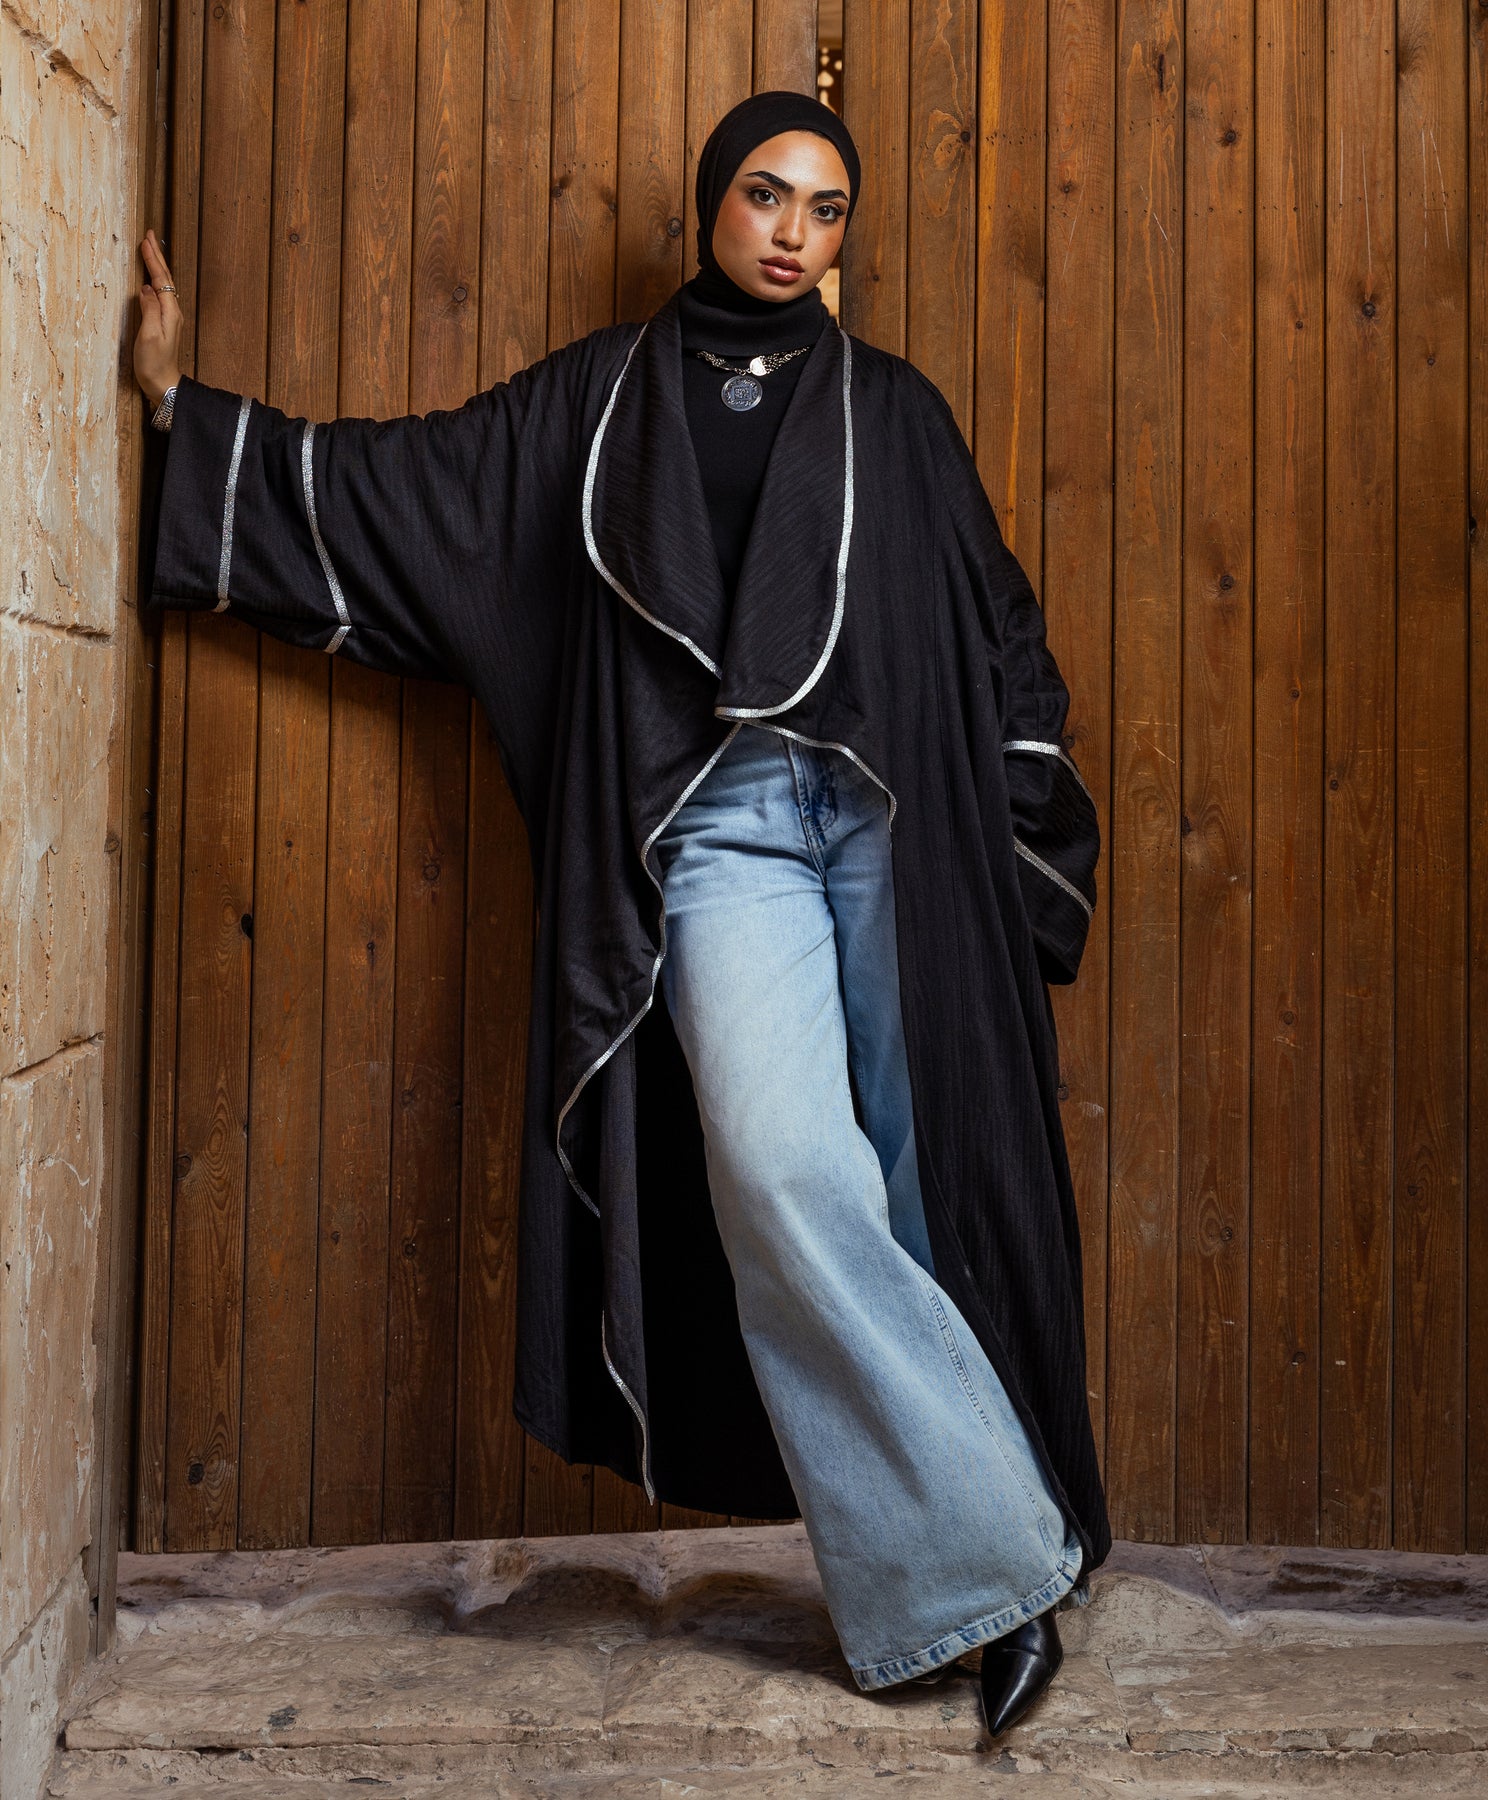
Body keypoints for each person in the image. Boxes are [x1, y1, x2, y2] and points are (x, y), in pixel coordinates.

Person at [134, 90, 1108, 1738]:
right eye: (767, 194)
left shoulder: (896, 411)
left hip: (893, 823)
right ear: (711, 201)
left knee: (931, 1168)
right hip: (715, 836)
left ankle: (984, 1560)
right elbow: (411, 493)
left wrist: (1029, 820)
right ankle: (996, 1577)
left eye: (826, 209)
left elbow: (996, 626)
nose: (794, 231)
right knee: (781, 1171)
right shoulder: (596, 402)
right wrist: (186, 412)